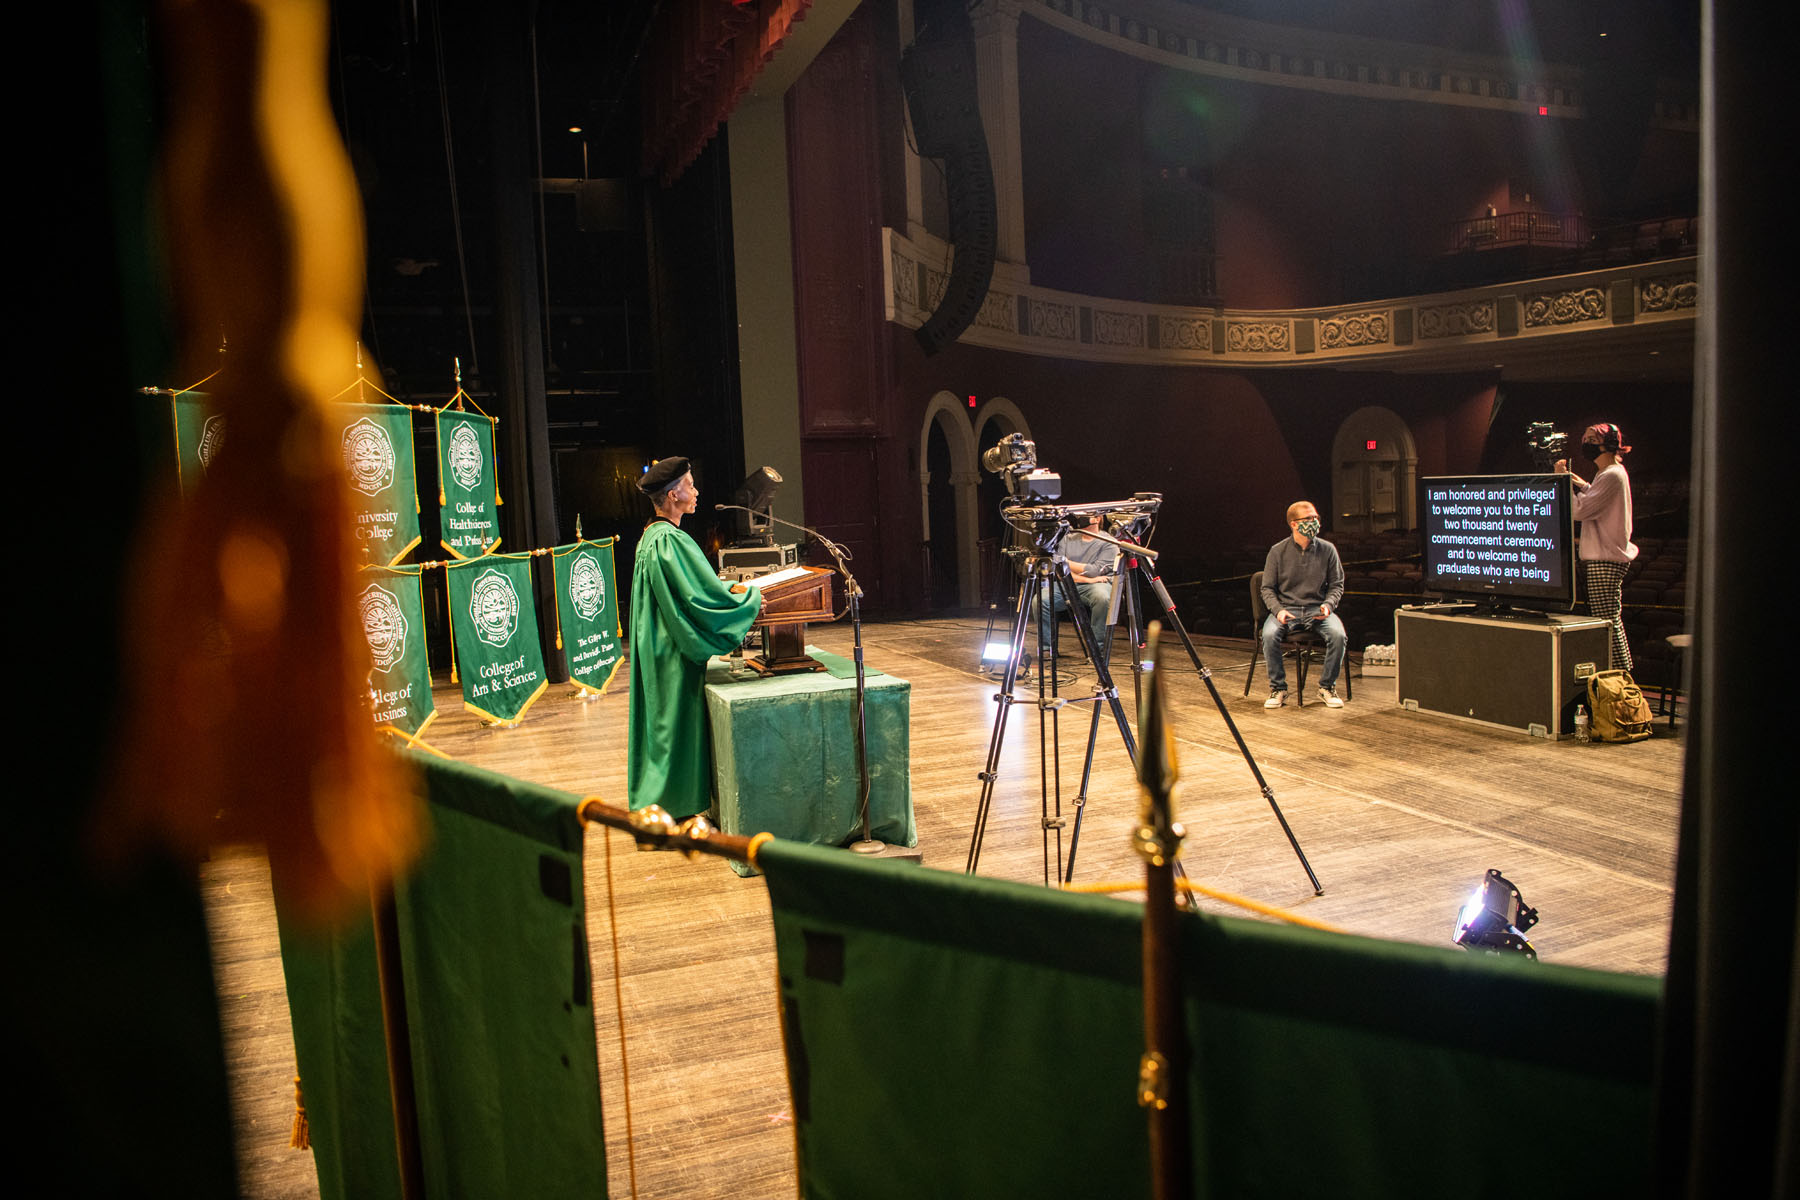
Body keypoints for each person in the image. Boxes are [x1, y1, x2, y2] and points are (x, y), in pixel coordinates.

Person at [627, 457, 762, 819]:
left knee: (660, 726)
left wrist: (726, 587)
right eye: (690, 484)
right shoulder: (672, 540)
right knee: (672, 726)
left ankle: (659, 804)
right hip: (672, 649)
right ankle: (669, 808)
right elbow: (700, 600)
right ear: (673, 495)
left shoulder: (651, 537)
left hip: (654, 644)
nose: (696, 491)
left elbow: (691, 586)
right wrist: (750, 597)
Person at [1556, 423, 1637, 672]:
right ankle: (1620, 679)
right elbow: (1596, 500)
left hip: (1605, 561)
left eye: (1591, 439)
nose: (1586, 443)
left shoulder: (1612, 474)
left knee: (1608, 624)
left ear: (1609, 443)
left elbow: (1580, 511)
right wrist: (1581, 485)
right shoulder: (1610, 473)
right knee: (1609, 622)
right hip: (1604, 559)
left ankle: (1622, 682)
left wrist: (1561, 481)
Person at [1260, 500, 1347, 708]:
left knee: (1338, 635)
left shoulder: (1328, 550)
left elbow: (1337, 585)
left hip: (1317, 608)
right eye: (1309, 518)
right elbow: (1267, 589)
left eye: (1316, 517)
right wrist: (1278, 611)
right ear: (1294, 523)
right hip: (1286, 609)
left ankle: (1327, 686)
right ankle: (1278, 688)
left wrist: (1328, 605)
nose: (1315, 522)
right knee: (1269, 635)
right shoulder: (1277, 551)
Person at [1023, 511, 1117, 675]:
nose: (1081, 517)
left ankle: (1097, 650)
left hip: (1096, 585)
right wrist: (1084, 577)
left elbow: (1094, 571)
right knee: (1041, 600)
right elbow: (1056, 564)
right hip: (1068, 582)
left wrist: (1067, 564)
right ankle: (1047, 648)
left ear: (1098, 518)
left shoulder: (1109, 542)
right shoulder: (1067, 537)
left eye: (1087, 514)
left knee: (1103, 598)